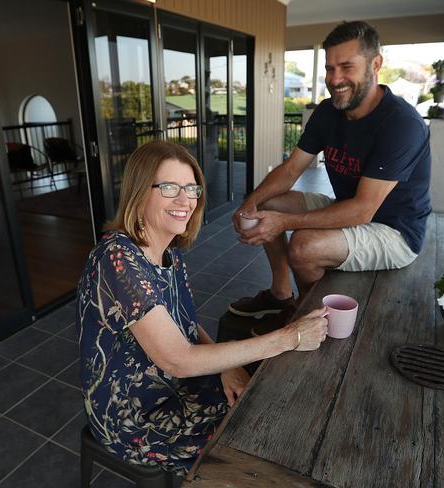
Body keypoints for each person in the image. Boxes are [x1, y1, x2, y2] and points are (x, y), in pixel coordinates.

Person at [76, 140, 328, 478]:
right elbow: (177, 359)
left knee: (262, 401)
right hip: (132, 416)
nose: (185, 200)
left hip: (173, 386)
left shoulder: (169, 253)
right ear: (140, 191)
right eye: (169, 187)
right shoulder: (117, 258)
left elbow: (188, 327)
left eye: (191, 188)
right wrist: (290, 337)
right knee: (253, 438)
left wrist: (226, 368)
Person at [230, 20, 432, 323]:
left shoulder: (401, 124)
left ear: (375, 64)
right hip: (347, 209)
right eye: (329, 68)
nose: (335, 79)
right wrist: (251, 202)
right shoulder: (328, 112)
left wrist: (283, 223)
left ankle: (312, 319)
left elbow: (363, 210)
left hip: (395, 231)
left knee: (303, 247)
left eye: (347, 67)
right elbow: (290, 169)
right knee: (266, 206)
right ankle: (281, 295)